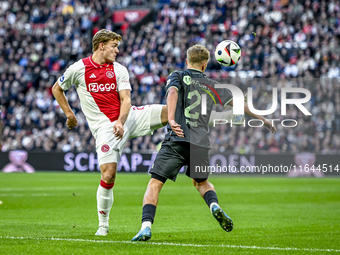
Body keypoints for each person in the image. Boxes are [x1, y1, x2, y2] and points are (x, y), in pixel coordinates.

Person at [131, 45, 277, 241]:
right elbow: (239, 104)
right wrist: (264, 119)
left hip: (177, 138)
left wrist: (172, 119)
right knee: (201, 183)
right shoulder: (212, 85)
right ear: (204, 65)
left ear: (186, 61)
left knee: (155, 183)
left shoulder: (177, 75)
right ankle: (214, 205)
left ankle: (146, 226)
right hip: (200, 143)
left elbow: (172, 93)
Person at [52, 29, 168, 236]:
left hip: (128, 117)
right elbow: (56, 88)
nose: (117, 51)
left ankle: (229, 114)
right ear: (101, 45)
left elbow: (126, 100)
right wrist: (69, 114)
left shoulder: (119, 69)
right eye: (114, 46)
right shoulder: (79, 69)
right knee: (108, 173)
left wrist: (121, 121)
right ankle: (103, 225)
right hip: (105, 128)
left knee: (172, 111)